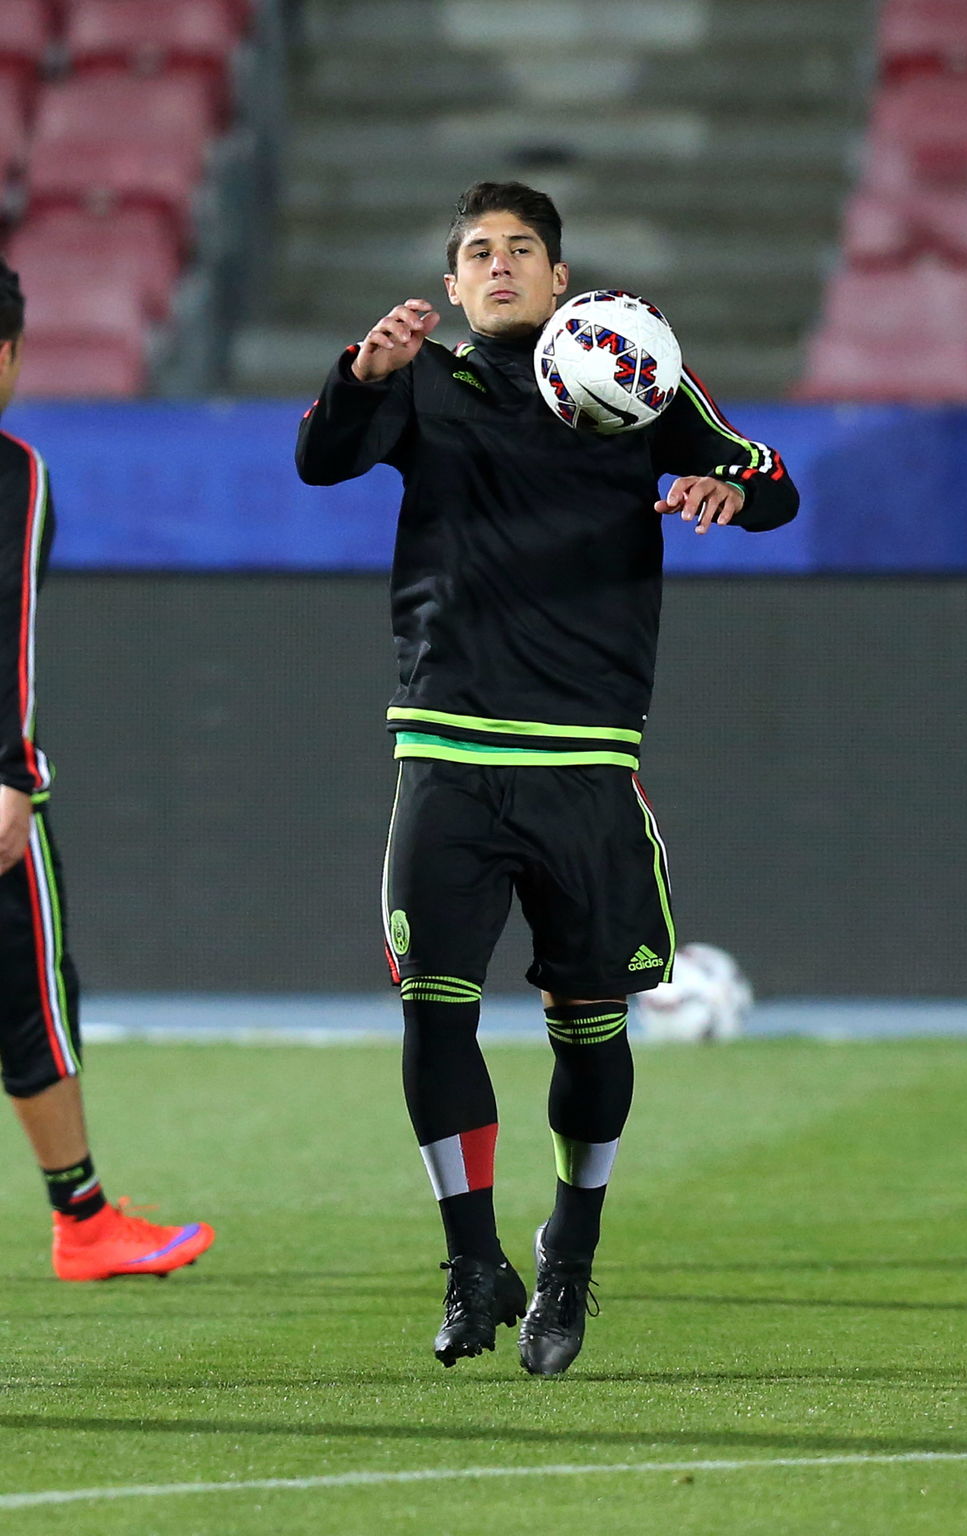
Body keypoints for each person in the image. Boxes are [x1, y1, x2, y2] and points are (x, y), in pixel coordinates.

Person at [296, 181, 798, 1375]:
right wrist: (361, 375)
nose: (500, 263)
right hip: (448, 749)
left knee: (591, 1027)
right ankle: (472, 1263)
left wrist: (729, 488)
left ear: (560, 277)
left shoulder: (631, 370)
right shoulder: (421, 382)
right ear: (454, 284)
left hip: (586, 757)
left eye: (522, 247)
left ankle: (567, 1256)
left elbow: (773, 485)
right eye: (478, 251)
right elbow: (320, 460)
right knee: (435, 1009)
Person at [0, 258, 215, 1281]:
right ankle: (83, 1222)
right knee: (30, 993)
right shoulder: (13, 472)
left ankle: (84, 1220)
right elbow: (10, 632)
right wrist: (12, 773)